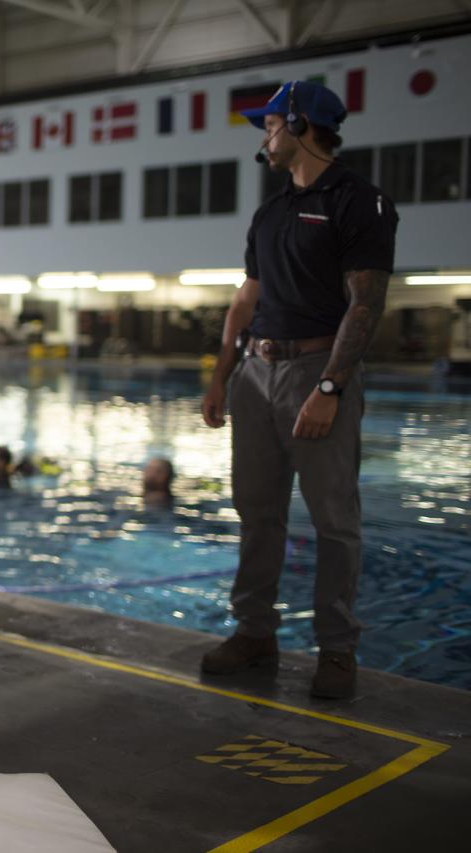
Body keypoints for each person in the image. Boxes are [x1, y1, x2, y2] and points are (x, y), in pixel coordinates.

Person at [199, 80, 398, 699]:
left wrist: (332, 387)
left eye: (270, 123)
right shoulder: (272, 211)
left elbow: (365, 304)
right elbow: (246, 298)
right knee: (256, 514)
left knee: (333, 519)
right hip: (257, 376)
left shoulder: (359, 202)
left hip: (317, 372)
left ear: (301, 123)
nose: (265, 135)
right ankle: (256, 631)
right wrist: (221, 373)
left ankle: (337, 649)